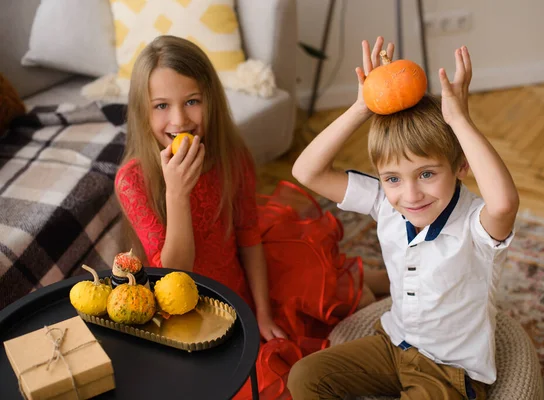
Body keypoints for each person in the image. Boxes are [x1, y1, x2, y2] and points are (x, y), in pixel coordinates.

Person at [114, 35, 377, 399]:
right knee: (266, 385)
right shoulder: (133, 179)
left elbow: (248, 235)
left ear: (211, 101)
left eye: (192, 101)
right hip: (189, 312)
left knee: (340, 288)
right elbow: (176, 274)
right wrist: (177, 193)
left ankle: (394, 279)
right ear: (142, 111)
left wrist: (264, 313)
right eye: (161, 106)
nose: (179, 120)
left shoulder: (230, 156)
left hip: (244, 287)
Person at [287, 36, 520, 400]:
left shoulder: (476, 224)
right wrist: (362, 107)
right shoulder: (384, 202)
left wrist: (458, 119)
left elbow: (504, 203)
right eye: (393, 178)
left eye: (427, 174)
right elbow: (307, 171)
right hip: (393, 346)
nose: (410, 196)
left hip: (449, 372)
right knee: (305, 376)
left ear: (461, 166)